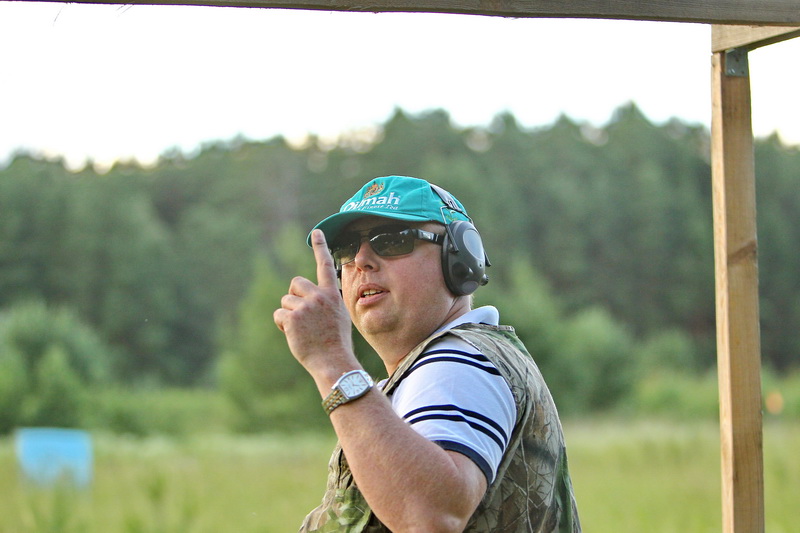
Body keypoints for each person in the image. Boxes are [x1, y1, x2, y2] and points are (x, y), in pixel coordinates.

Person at [274, 175, 580, 532]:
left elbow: (432, 517)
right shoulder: (438, 366)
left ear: (459, 257)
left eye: (392, 240)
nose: (361, 260)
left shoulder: (456, 362)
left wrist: (332, 363)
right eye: (346, 248)